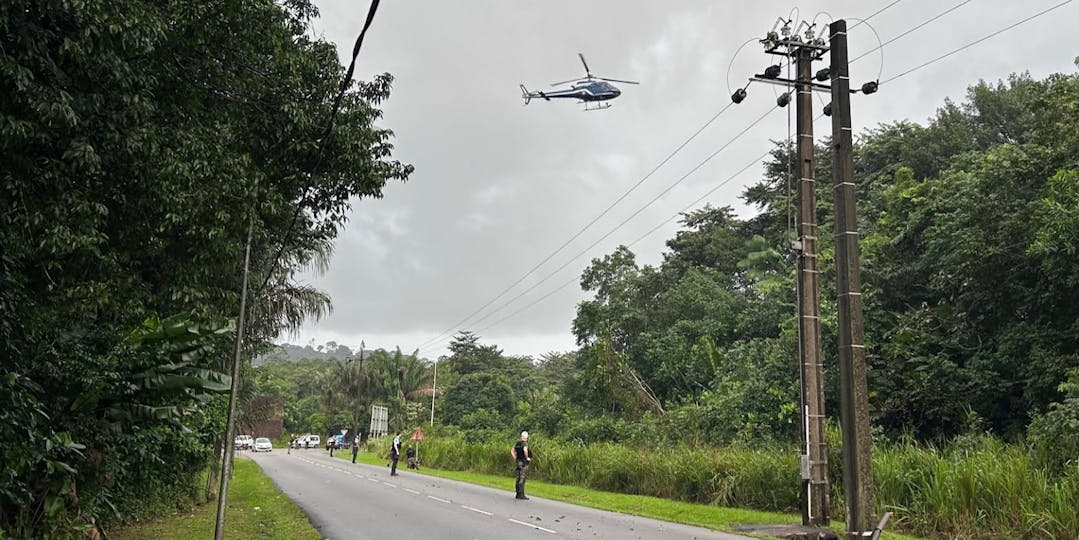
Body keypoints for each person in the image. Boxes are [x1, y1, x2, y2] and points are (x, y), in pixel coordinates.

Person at [511, 431, 532, 500]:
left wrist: (515, 458)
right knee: (522, 478)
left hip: (518, 462)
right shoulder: (525, 443)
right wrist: (527, 458)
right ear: (527, 437)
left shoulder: (518, 443)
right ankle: (521, 494)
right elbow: (525, 450)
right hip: (523, 462)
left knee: (518, 477)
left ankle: (517, 493)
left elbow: (512, 450)